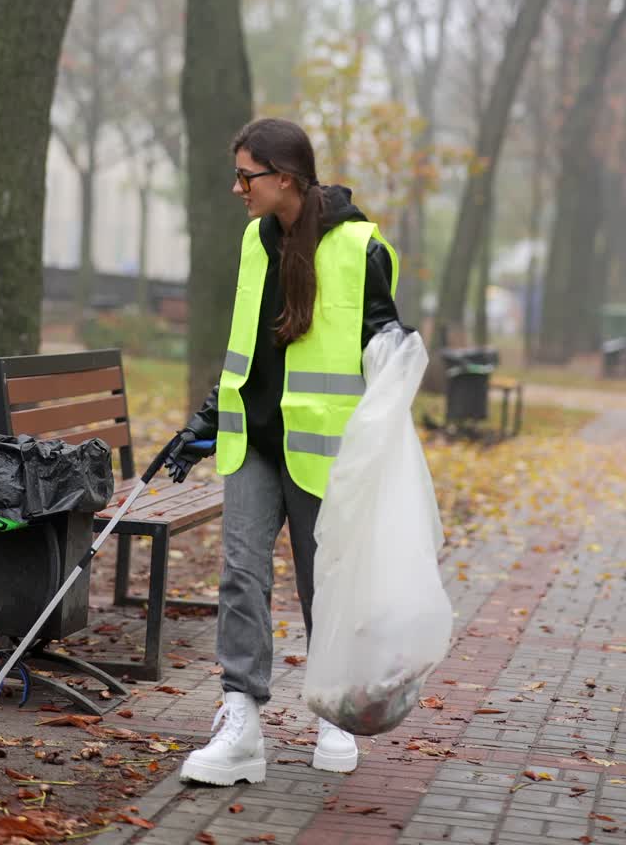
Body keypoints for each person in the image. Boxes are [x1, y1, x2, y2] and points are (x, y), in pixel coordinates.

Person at [165, 117, 405, 786]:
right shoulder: (253, 239)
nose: (237, 187)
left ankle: (333, 710)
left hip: (322, 449)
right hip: (252, 440)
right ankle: (240, 719)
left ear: (286, 179)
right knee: (240, 572)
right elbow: (246, 340)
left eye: (247, 175)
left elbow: (382, 338)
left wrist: (394, 351)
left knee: (320, 582)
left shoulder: (359, 247)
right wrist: (205, 420)